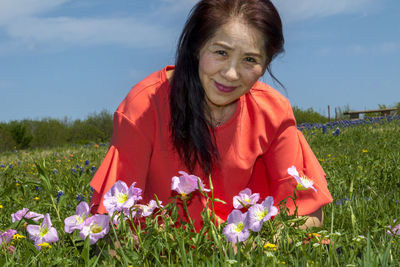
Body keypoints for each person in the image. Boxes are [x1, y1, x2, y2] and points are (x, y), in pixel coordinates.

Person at [90, 0, 333, 230]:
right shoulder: (143, 107)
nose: (230, 74)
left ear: (266, 63)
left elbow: (307, 213)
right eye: (220, 52)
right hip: (161, 250)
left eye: (250, 60)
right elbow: (111, 220)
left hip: (248, 246)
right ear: (197, 46)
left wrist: (252, 250)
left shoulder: (273, 111)